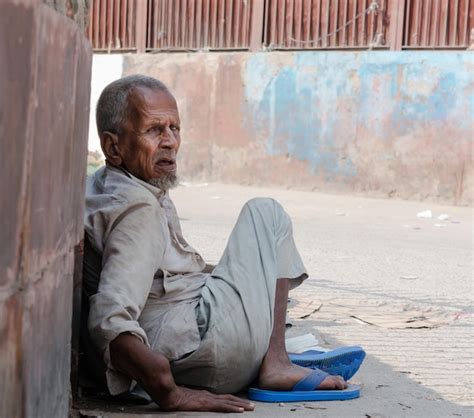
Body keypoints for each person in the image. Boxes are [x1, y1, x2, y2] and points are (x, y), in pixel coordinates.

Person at [83, 75, 348, 413]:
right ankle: (275, 362)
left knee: (241, 266)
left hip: (190, 334)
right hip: (208, 347)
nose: (170, 142)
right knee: (265, 213)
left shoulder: (108, 184)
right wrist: (170, 392)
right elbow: (109, 317)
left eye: (174, 129)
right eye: (153, 130)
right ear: (113, 147)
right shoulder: (138, 211)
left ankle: (268, 349)